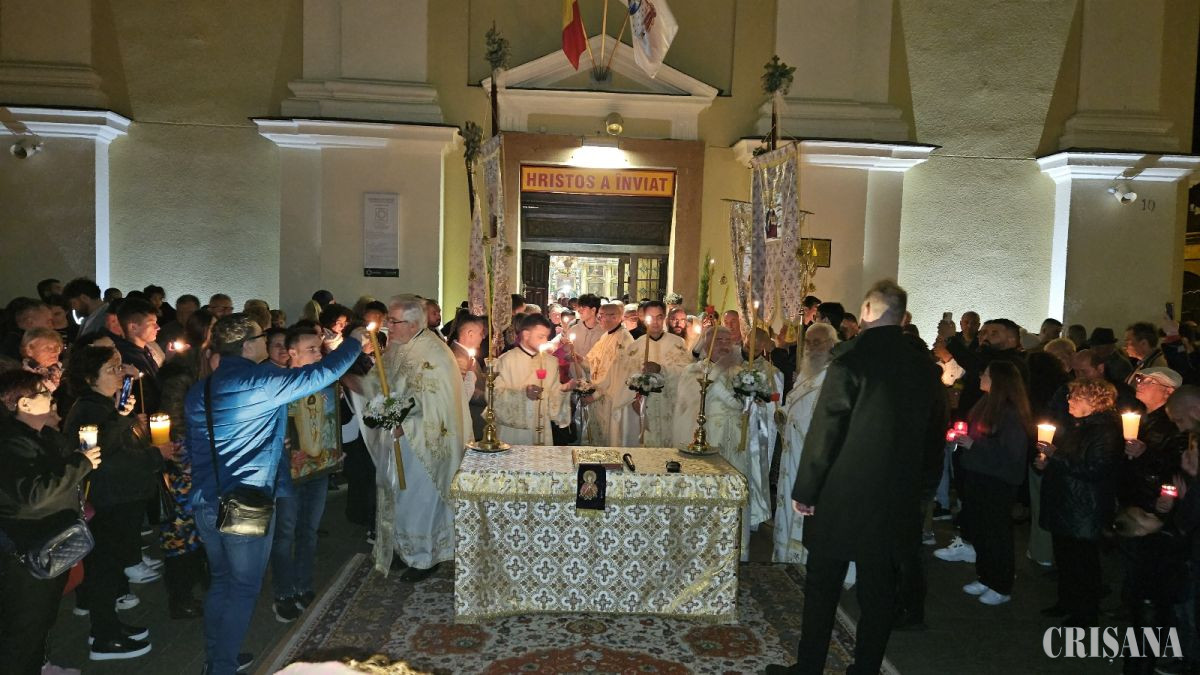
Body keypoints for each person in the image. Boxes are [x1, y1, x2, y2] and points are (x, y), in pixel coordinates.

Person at [767, 280, 946, 675]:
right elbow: (935, 437)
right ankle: (865, 669)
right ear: (902, 316)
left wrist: (806, 489)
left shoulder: (850, 361)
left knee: (823, 587)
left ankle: (809, 668)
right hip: (896, 497)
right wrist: (922, 490)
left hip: (842, 496)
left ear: (866, 311)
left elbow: (826, 431)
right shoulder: (925, 368)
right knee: (879, 590)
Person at [184, 314, 363, 675]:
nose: (267, 342)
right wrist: (355, 342)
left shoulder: (201, 388)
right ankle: (221, 668)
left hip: (204, 499)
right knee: (243, 587)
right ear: (247, 345)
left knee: (221, 581)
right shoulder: (259, 381)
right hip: (244, 503)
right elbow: (320, 374)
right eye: (261, 337)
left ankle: (216, 658)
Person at [63, 345, 173, 661]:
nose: (120, 374)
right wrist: (154, 454)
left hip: (119, 498)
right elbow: (104, 457)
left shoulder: (104, 406)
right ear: (90, 378)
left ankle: (109, 626)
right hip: (108, 500)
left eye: (119, 367)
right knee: (104, 568)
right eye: (111, 369)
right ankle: (104, 637)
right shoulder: (90, 410)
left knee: (110, 568)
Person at [353, 297, 465, 580]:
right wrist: (378, 408)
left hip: (424, 443)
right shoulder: (398, 347)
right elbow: (383, 383)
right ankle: (403, 549)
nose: (388, 327)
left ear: (414, 324)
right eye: (388, 321)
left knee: (419, 498)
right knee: (399, 496)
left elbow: (440, 404)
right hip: (397, 440)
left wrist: (405, 423)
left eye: (394, 321)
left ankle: (424, 557)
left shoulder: (435, 354)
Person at [0, 370, 100, 675]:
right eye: (43, 392)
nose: (52, 397)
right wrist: (80, 464)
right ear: (24, 404)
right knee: (23, 632)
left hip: (50, 543)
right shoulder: (10, 443)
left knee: (40, 621)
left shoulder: (41, 434)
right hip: (27, 553)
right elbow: (33, 495)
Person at [942, 361, 1032, 606]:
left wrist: (974, 444)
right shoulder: (986, 403)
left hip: (997, 481)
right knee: (980, 529)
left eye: (986, 373)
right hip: (978, 475)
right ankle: (985, 576)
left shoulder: (1011, 413)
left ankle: (1001, 584)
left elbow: (1012, 454)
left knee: (996, 533)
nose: (981, 375)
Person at [1035, 377, 1123, 628]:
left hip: (1085, 508)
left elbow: (1095, 469)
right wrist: (1045, 463)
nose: (1069, 400)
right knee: (1065, 558)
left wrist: (1055, 456)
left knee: (1082, 563)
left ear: (1095, 401)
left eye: (1075, 396)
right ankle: (1066, 602)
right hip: (1068, 504)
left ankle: (1085, 613)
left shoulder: (1106, 431)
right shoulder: (1078, 426)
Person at [270, 327, 342, 622]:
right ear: (292, 353)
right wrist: (279, 438)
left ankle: (304, 585)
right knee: (285, 532)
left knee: (309, 530)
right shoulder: (278, 384)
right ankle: (284, 592)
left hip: (318, 468)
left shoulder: (325, 384)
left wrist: (334, 447)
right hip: (288, 471)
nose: (318, 354)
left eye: (319, 349)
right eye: (311, 349)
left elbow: (330, 420)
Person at [155, 308, 215, 620]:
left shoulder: (207, 364)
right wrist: (186, 458)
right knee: (181, 531)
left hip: (204, 456)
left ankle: (206, 581)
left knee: (205, 527)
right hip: (185, 461)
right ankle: (181, 596)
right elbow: (174, 422)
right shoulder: (180, 373)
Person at [774, 322, 838, 563]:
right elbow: (794, 405)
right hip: (793, 451)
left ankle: (802, 560)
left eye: (817, 342)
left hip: (810, 454)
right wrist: (782, 413)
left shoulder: (833, 377)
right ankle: (784, 557)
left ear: (832, 345)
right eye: (808, 342)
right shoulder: (806, 372)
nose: (811, 347)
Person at [617, 300, 693, 447]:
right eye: (650, 318)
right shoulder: (635, 346)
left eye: (659, 317)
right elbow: (626, 377)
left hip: (670, 405)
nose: (655, 322)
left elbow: (686, 373)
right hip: (643, 407)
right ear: (643, 318)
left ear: (664, 317)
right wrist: (635, 396)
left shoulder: (677, 343)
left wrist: (661, 369)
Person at [492, 313, 571, 445]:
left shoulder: (551, 362)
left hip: (542, 429)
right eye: (541, 336)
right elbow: (494, 397)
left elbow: (554, 402)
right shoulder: (506, 360)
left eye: (546, 337)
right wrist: (523, 394)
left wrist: (564, 390)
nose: (545, 341)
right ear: (526, 335)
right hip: (513, 433)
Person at [580, 302, 635, 445]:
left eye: (602, 316)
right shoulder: (606, 336)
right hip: (599, 397)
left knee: (609, 437)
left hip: (610, 399)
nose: (599, 320)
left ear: (616, 317)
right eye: (600, 316)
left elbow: (616, 374)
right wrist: (577, 358)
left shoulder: (624, 340)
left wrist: (594, 395)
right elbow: (592, 362)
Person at [20, 327, 64, 393]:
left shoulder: (63, 374)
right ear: (29, 351)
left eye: (57, 347)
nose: (55, 352)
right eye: (48, 348)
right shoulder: (23, 380)